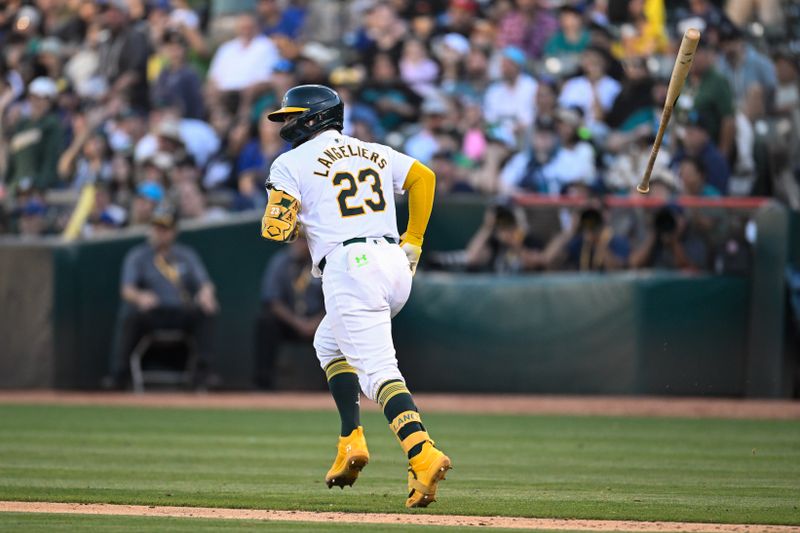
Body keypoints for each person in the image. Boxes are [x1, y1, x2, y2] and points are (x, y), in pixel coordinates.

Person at [261, 84, 450, 507]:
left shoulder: (290, 162)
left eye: (292, 116)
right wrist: (414, 240)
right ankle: (351, 438)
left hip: (350, 268)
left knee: (381, 372)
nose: (286, 124)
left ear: (313, 117)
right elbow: (424, 178)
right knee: (328, 341)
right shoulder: (372, 150)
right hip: (393, 261)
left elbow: (275, 228)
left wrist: (287, 220)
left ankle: (422, 452)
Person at [107, 208, 218, 388]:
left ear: (174, 232)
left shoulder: (186, 255)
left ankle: (203, 376)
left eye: (165, 229)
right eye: (157, 229)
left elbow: (205, 283)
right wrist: (140, 296)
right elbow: (126, 290)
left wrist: (206, 294)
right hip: (152, 312)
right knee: (130, 314)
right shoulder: (138, 256)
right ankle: (119, 375)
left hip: (181, 311)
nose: (160, 234)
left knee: (206, 312)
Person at [254, 233, 324, 389]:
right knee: (266, 321)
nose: (298, 244)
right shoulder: (281, 262)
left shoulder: (322, 262)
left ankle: (336, 387)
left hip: (319, 323)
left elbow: (335, 300)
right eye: (295, 240)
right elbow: (271, 300)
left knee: (341, 324)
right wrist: (297, 323)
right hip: (290, 322)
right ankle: (263, 386)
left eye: (302, 240)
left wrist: (317, 322)